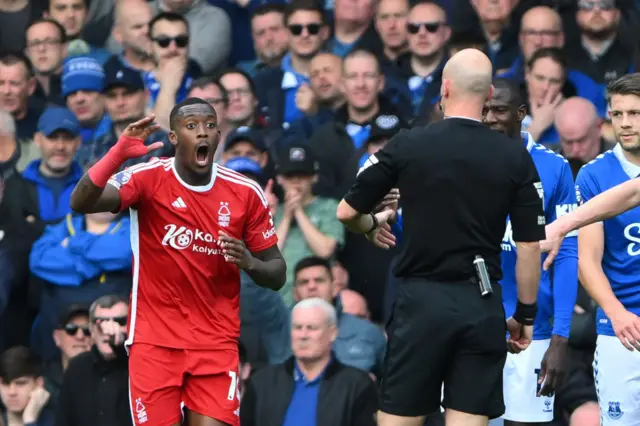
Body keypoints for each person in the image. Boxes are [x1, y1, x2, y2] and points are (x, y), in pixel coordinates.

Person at [336, 49, 547, 426]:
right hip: (480, 302)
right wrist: (524, 315)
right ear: (486, 96)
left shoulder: (410, 143)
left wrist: (371, 226)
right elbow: (530, 246)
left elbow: (347, 212)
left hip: (421, 303)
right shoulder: (515, 156)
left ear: (445, 88)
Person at [68, 98, 287, 426]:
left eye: (210, 126)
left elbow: (278, 273)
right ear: (173, 138)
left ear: (218, 137)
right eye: (192, 126)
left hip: (215, 342)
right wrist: (116, 154)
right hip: (154, 342)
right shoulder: (146, 179)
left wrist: (250, 263)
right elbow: (80, 202)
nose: (202, 133)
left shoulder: (245, 193)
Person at [543, 73, 640, 425]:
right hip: (621, 328)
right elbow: (587, 259)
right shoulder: (593, 175)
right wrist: (615, 313)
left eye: (636, 113)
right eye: (619, 114)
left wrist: (559, 226)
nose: (626, 123)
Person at [483, 78, 578, 425]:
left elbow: (567, 254)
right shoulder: (462, 163)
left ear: (521, 114)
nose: (490, 118)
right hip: (474, 324)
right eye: (484, 110)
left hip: (532, 331)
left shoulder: (555, 168)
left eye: (499, 110)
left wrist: (561, 336)